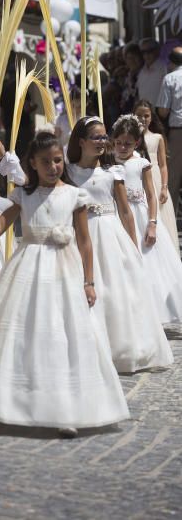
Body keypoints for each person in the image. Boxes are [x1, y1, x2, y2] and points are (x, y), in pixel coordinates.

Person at [0, 132, 129, 436]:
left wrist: (89, 281)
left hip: (65, 270)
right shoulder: (24, 195)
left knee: (64, 335)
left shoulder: (75, 195)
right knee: (28, 334)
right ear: (32, 164)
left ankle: (68, 409)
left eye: (58, 160)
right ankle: (19, 402)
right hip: (28, 269)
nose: (53, 167)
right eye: (46, 162)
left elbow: (85, 242)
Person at [67, 116, 173, 373]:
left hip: (109, 233)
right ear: (81, 141)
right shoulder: (68, 171)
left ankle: (119, 348)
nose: (103, 142)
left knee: (115, 291)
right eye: (96, 137)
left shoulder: (112, 171)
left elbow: (125, 212)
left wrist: (132, 245)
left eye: (105, 137)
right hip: (79, 234)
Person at [112, 114, 182, 325]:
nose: (122, 147)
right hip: (117, 215)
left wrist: (152, 223)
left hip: (141, 217)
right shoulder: (108, 163)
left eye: (128, 143)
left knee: (149, 263)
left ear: (137, 142)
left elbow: (150, 195)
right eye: (118, 143)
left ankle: (152, 308)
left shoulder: (141, 163)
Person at [134, 99, 179, 253]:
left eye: (146, 115)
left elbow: (163, 165)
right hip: (137, 180)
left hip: (156, 180)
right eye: (139, 115)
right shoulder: (130, 139)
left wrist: (164, 187)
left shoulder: (157, 137)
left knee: (160, 215)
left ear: (151, 117)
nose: (142, 119)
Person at [157, 47, 182, 214]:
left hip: (177, 131)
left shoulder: (170, 78)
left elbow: (163, 111)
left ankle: (171, 216)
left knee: (173, 176)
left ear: (171, 62)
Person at [136, 39, 167, 107]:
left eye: (150, 51)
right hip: (145, 114)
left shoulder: (164, 70)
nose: (146, 54)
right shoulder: (141, 72)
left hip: (159, 114)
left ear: (157, 51)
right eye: (143, 52)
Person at [121, 43, 143, 113]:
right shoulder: (127, 76)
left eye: (135, 57)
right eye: (129, 58)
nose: (132, 61)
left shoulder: (144, 74)